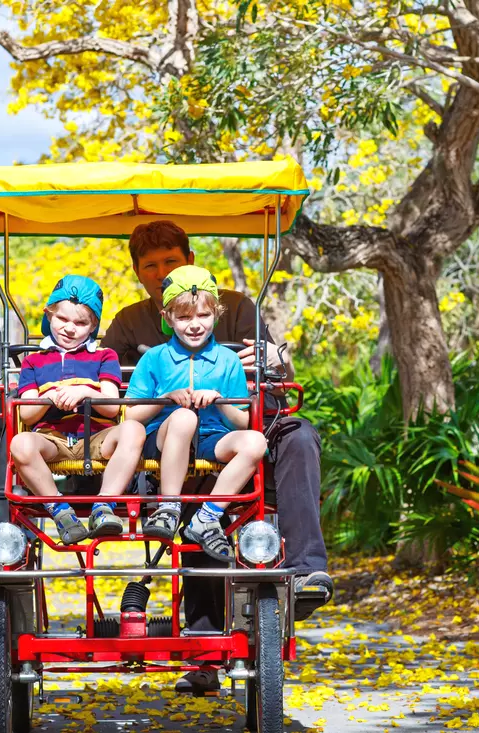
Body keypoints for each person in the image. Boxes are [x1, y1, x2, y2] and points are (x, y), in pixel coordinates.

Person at [103, 221, 332, 695]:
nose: (162, 271)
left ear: (189, 257)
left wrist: (271, 358)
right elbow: (111, 387)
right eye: (151, 266)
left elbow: (273, 370)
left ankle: (307, 569)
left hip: (238, 419)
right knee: (192, 494)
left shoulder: (235, 307)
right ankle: (206, 651)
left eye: (171, 261)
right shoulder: (129, 322)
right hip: (166, 430)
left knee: (300, 436)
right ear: (139, 273)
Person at [125, 266, 267, 562]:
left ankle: (208, 516)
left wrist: (220, 401)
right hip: (163, 438)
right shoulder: (155, 359)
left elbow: (243, 421)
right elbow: (130, 416)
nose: (195, 325)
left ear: (217, 314)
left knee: (256, 443)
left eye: (203, 316)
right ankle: (170, 505)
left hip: (211, 438)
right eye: (184, 317)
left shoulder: (228, 361)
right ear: (167, 319)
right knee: (184, 417)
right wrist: (165, 399)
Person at [10, 275, 147, 544]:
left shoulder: (104, 356)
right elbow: (26, 413)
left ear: (93, 325)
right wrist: (49, 396)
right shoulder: (34, 361)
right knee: (20, 443)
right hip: (53, 439)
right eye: (62, 319)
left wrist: (86, 392)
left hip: (97, 438)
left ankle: (104, 505)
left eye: (81, 322)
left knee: (133, 429)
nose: (70, 328)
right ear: (49, 315)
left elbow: (110, 407)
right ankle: (60, 510)